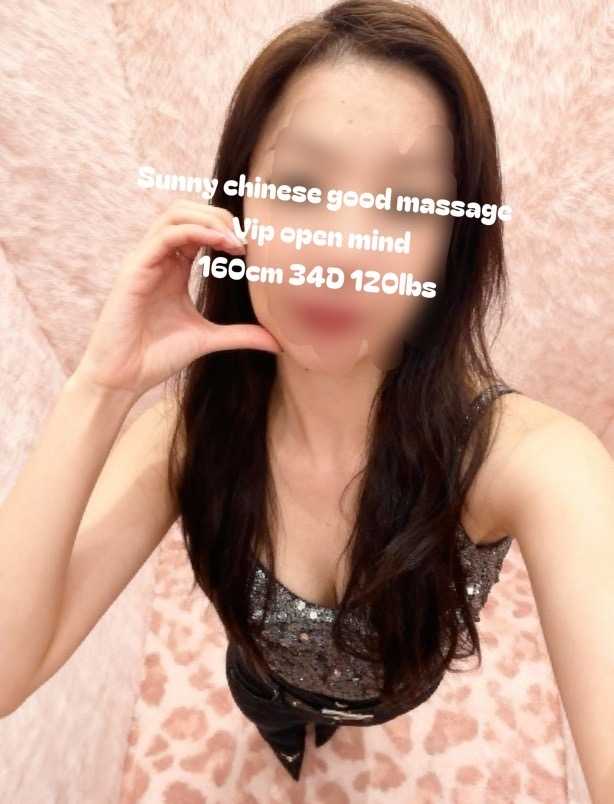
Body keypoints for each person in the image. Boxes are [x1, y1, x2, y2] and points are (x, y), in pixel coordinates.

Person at [1, 0, 613, 798]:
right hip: (262, 690)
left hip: (397, 693)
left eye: (406, 204)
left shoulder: (527, 458)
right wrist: (100, 385)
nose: (342, 247)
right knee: (280, 725)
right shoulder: (184, 434)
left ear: (452, 246)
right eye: (298, 186)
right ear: (237, 211)